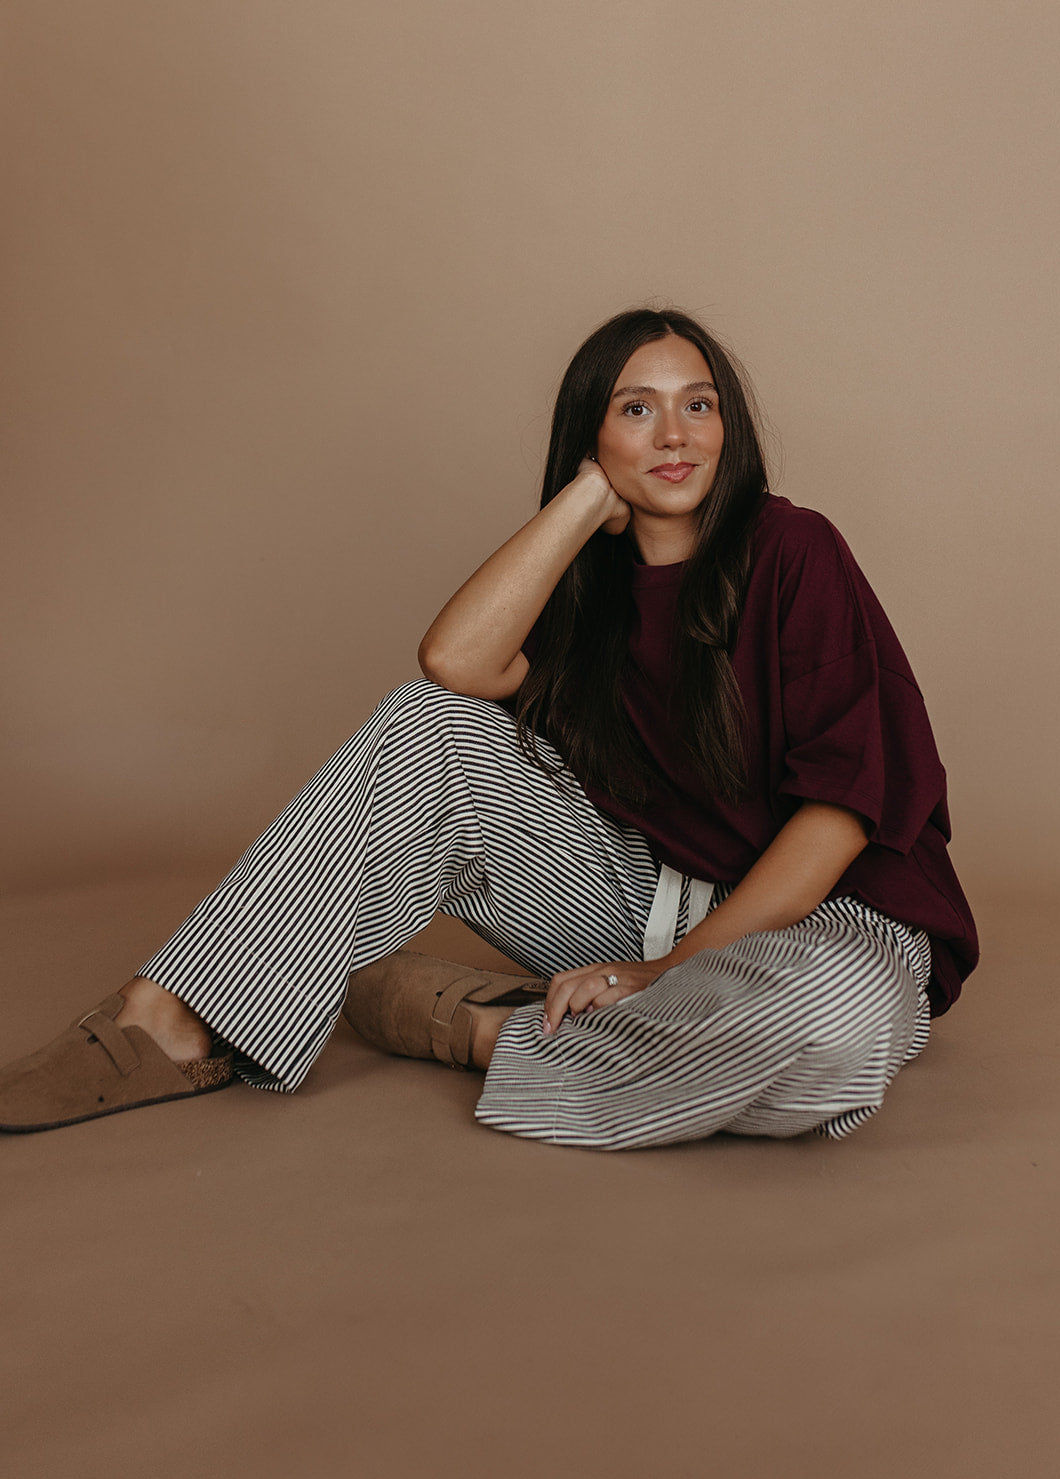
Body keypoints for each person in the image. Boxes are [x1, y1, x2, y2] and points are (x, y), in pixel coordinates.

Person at [0, 308, 978, 1147]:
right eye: (635, 409)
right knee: (430, 722)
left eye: (698, 404)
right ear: (591, 433)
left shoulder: (794, 549)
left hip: (829, 918)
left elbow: (837, 815)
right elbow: (452, 667)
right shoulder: (584, 589)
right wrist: (585, 499)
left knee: (827, 1032)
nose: (675, 433)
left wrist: (663, 975)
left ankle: (478, 1029)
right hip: (641, 897)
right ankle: (169, 1015)